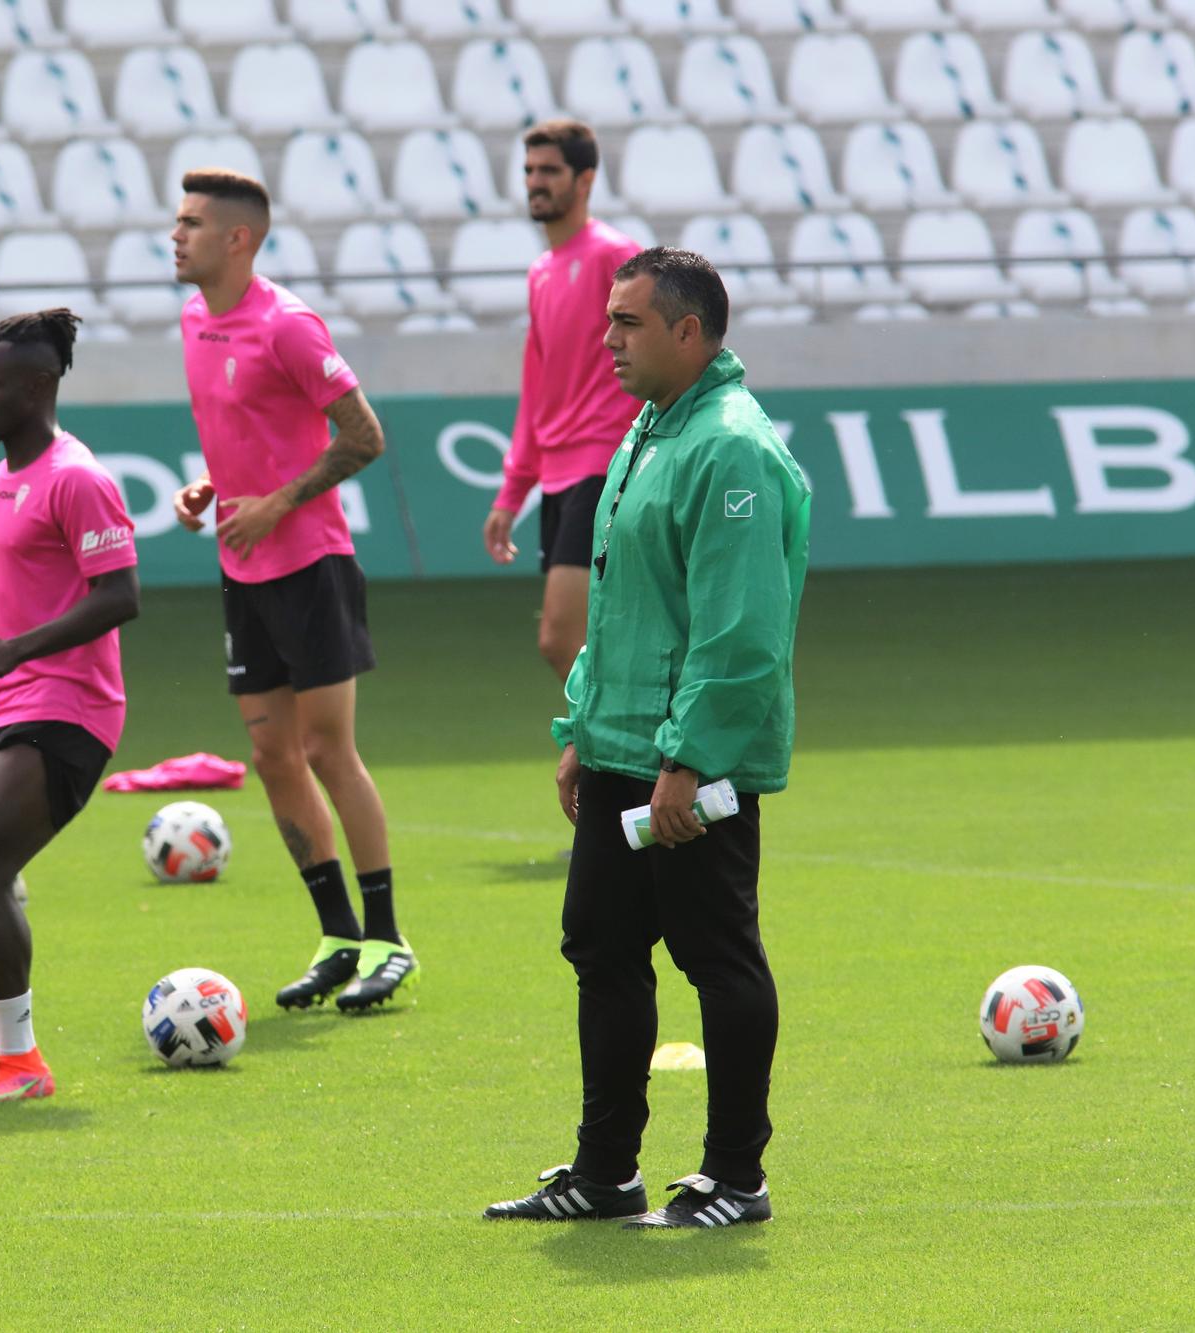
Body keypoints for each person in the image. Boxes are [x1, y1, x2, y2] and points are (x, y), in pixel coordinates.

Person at [483, 249, 811, 1228]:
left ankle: (734, 1178)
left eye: (626, 323)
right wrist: (582, 728)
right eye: (607, 320)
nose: (606, 340)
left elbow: (739, 632)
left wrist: (686, 760)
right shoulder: (649, 433)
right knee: (600, 946)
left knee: (717, 957)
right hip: (622, 748)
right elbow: (621, 608)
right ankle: (604, 1172)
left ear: (687, 331)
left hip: (687, 768)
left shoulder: (731, 449)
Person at [168, 169, 415, 1013]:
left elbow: (364, 435)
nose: (177, 235)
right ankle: (337, 934)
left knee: (324, 750)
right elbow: (255, 429)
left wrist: (276, 501)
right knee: (272, 756)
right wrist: (215, 483)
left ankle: (389, 937)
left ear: (239, 238)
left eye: (193, 223)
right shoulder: (195, 317)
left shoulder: (289, 326)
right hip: (242, 569)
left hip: (310, 562)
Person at [0, 309, 140, 1103]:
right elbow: (18, 612)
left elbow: (120, 597)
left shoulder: (75, 478)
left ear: (39, 387)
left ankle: (22, 1062)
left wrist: (13, 654)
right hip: (5, 699)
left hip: (71, 705)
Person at [483, 120, 644, 682]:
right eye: (529, 171)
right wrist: (513, 491)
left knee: (562, 638)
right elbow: (539, 385)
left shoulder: (615, 256)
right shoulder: (542, 272)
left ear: (585, 179)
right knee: (590, 642)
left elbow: (662, 354)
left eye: (549, 170)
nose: (535, 182)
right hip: (557, 477)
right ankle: (649, 763)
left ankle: (645, 761)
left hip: (603, 467)